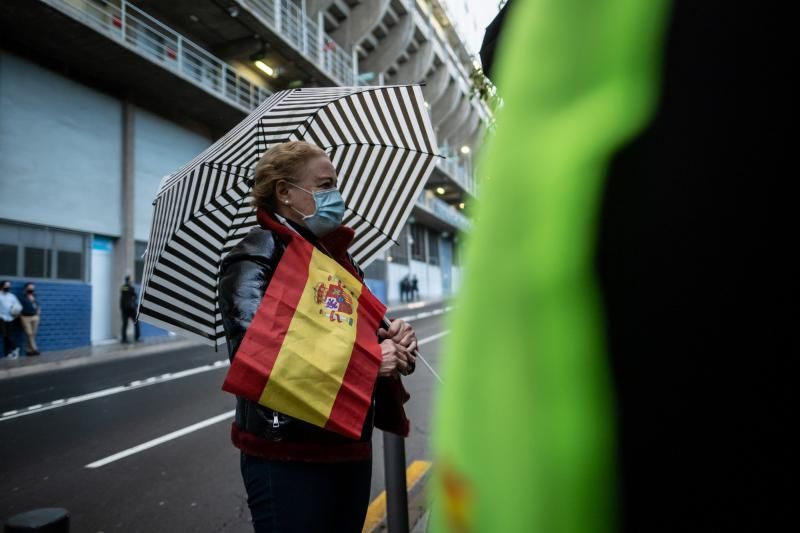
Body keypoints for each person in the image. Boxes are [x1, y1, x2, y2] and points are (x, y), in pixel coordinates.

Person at [218, 141, 418, 533]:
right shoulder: (256, 255)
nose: (336, 197)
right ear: (285, 192)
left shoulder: (333, 258)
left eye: (335, 186)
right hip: (288, 456)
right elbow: (257, 355)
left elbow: (356, 331)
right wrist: (371, 361)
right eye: (324, 185)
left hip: (347, 446)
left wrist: (393, 337)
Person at [0, 280, 22, 359]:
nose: (8, 287)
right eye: (6, 285)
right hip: (1, 318)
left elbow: (18, 305)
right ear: (2, 286)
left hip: (11, 318)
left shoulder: (12, 296)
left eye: (9, 286)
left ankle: (8, 352)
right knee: (5, 335)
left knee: (8, 335)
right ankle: (14, 348)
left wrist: (16, 311)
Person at [19, 282, 41, 356]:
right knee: (29, 334)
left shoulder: (35, 296)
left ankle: (29, 350)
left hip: (35, 317)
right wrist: (21, 316)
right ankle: (35, 349)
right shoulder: (22, 297)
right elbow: (18, 307)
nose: (31, 289)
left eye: (33, 288)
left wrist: (38, 311)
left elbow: (37, 305)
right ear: (26, 288)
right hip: (25, 317)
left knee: (33, 334)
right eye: (30, 288)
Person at [119, 275, 140, 343]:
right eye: (130, 280)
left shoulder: (122, 287)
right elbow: (135, 296)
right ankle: (137, 338)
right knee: (136, 323)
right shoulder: (131, 288)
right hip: (130, 309)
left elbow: (123, 296)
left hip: (124, 308)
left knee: (125, 324)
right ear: (129, 280)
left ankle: (124, 339)